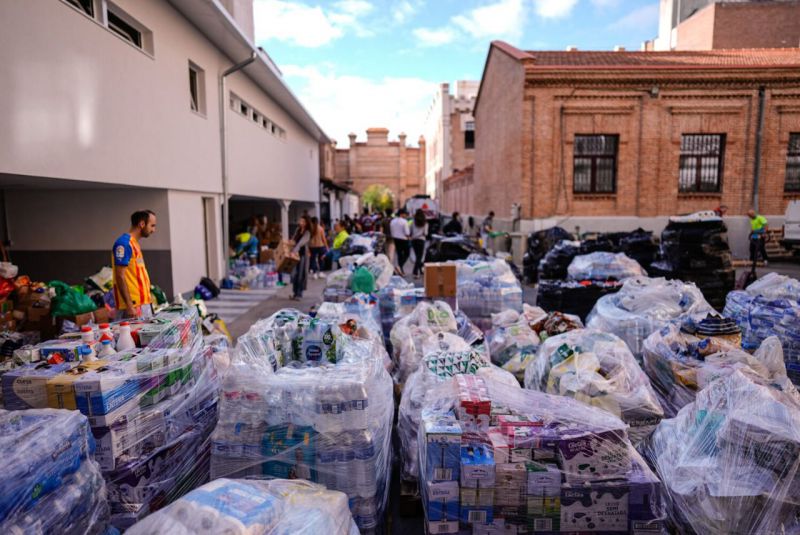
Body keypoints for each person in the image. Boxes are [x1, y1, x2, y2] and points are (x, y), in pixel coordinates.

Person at [113, 210, 156, 319]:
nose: (153, 230)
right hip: (133, 307)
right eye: (152, 226)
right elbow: (120, 276)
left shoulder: (134, 244)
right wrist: (129, 305)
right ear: (142, 224)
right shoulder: (124, 244)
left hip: (142, 304)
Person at [291, 215, 311, 300]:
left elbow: (301, 243)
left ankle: (299, 294)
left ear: (306, 223)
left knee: (301, 275)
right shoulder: (298, 230)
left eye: (303, 221)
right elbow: (294, 240)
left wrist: (294, 250)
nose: (300, 223)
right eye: (300, 221)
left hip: (302, 255)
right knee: (294, 274)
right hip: (295, 255)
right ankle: (295, 293)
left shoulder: (307, 232)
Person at [390, 209, 411, 275]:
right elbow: (407, 232)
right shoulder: (404, 221)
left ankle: (400, 269)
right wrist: (408, 237)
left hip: (396, 239)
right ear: (401, 214)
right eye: (404, 214)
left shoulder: (392, 221)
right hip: (404, 239)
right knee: (407, 253)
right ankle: (400, 266)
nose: (405, 215)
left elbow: (391, 230)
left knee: (399, 254)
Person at [410, 209, 428, 278]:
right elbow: (425, 233)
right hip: (421, 240)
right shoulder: (425, 223)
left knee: (417, 256)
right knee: (419, 256)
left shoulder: (413, 222)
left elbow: (410, 231)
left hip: (414, 240)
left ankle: (420, 270)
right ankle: (415, 271)